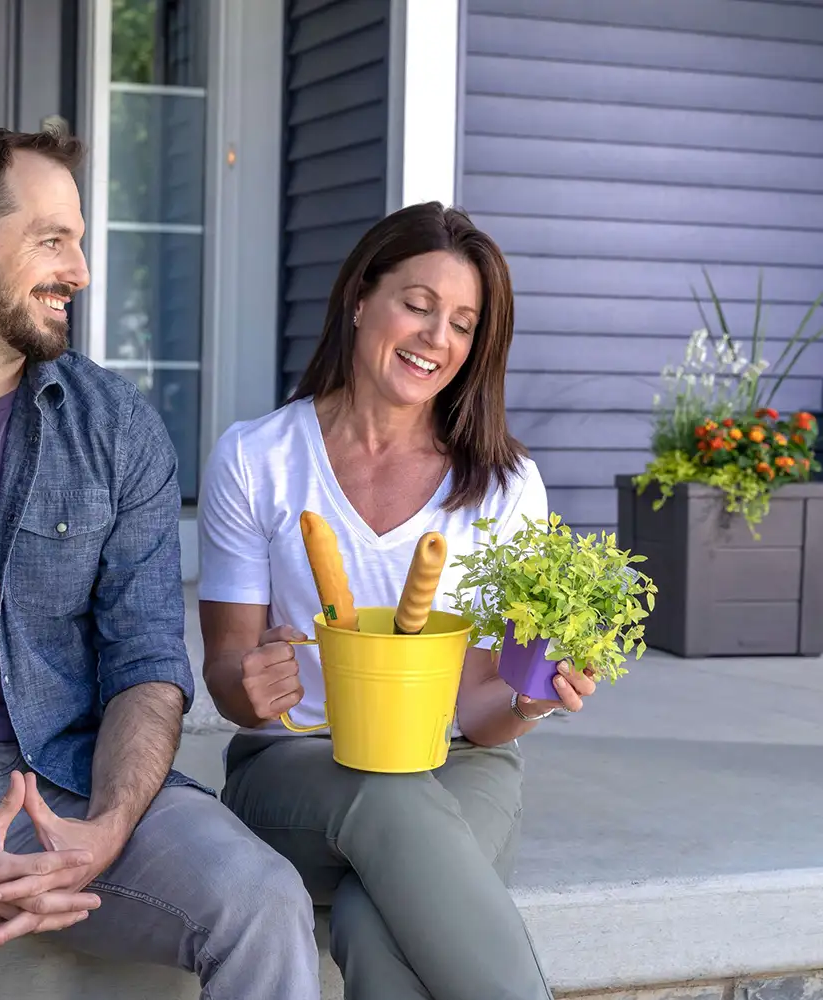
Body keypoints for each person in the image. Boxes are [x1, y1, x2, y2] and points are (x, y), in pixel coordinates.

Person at [0, 124, 319, 998]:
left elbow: (146, 664)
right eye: (53, 240)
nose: (80, 272)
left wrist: (113, 826)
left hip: (76, 792)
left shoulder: (116, 430)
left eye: (78, 241)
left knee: (264, 901)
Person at [197, 201, 598, 1000]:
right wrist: (251, 681)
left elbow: (481, 712)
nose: (435, 338)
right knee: (388, 800)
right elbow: (227, 674)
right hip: (297, 766)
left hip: (463, 763)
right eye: (416, 305)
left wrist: (529, 700)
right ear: (359, 299)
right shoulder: (258, 458)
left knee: (376, 918)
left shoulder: (505, 487)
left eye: (461, 323)